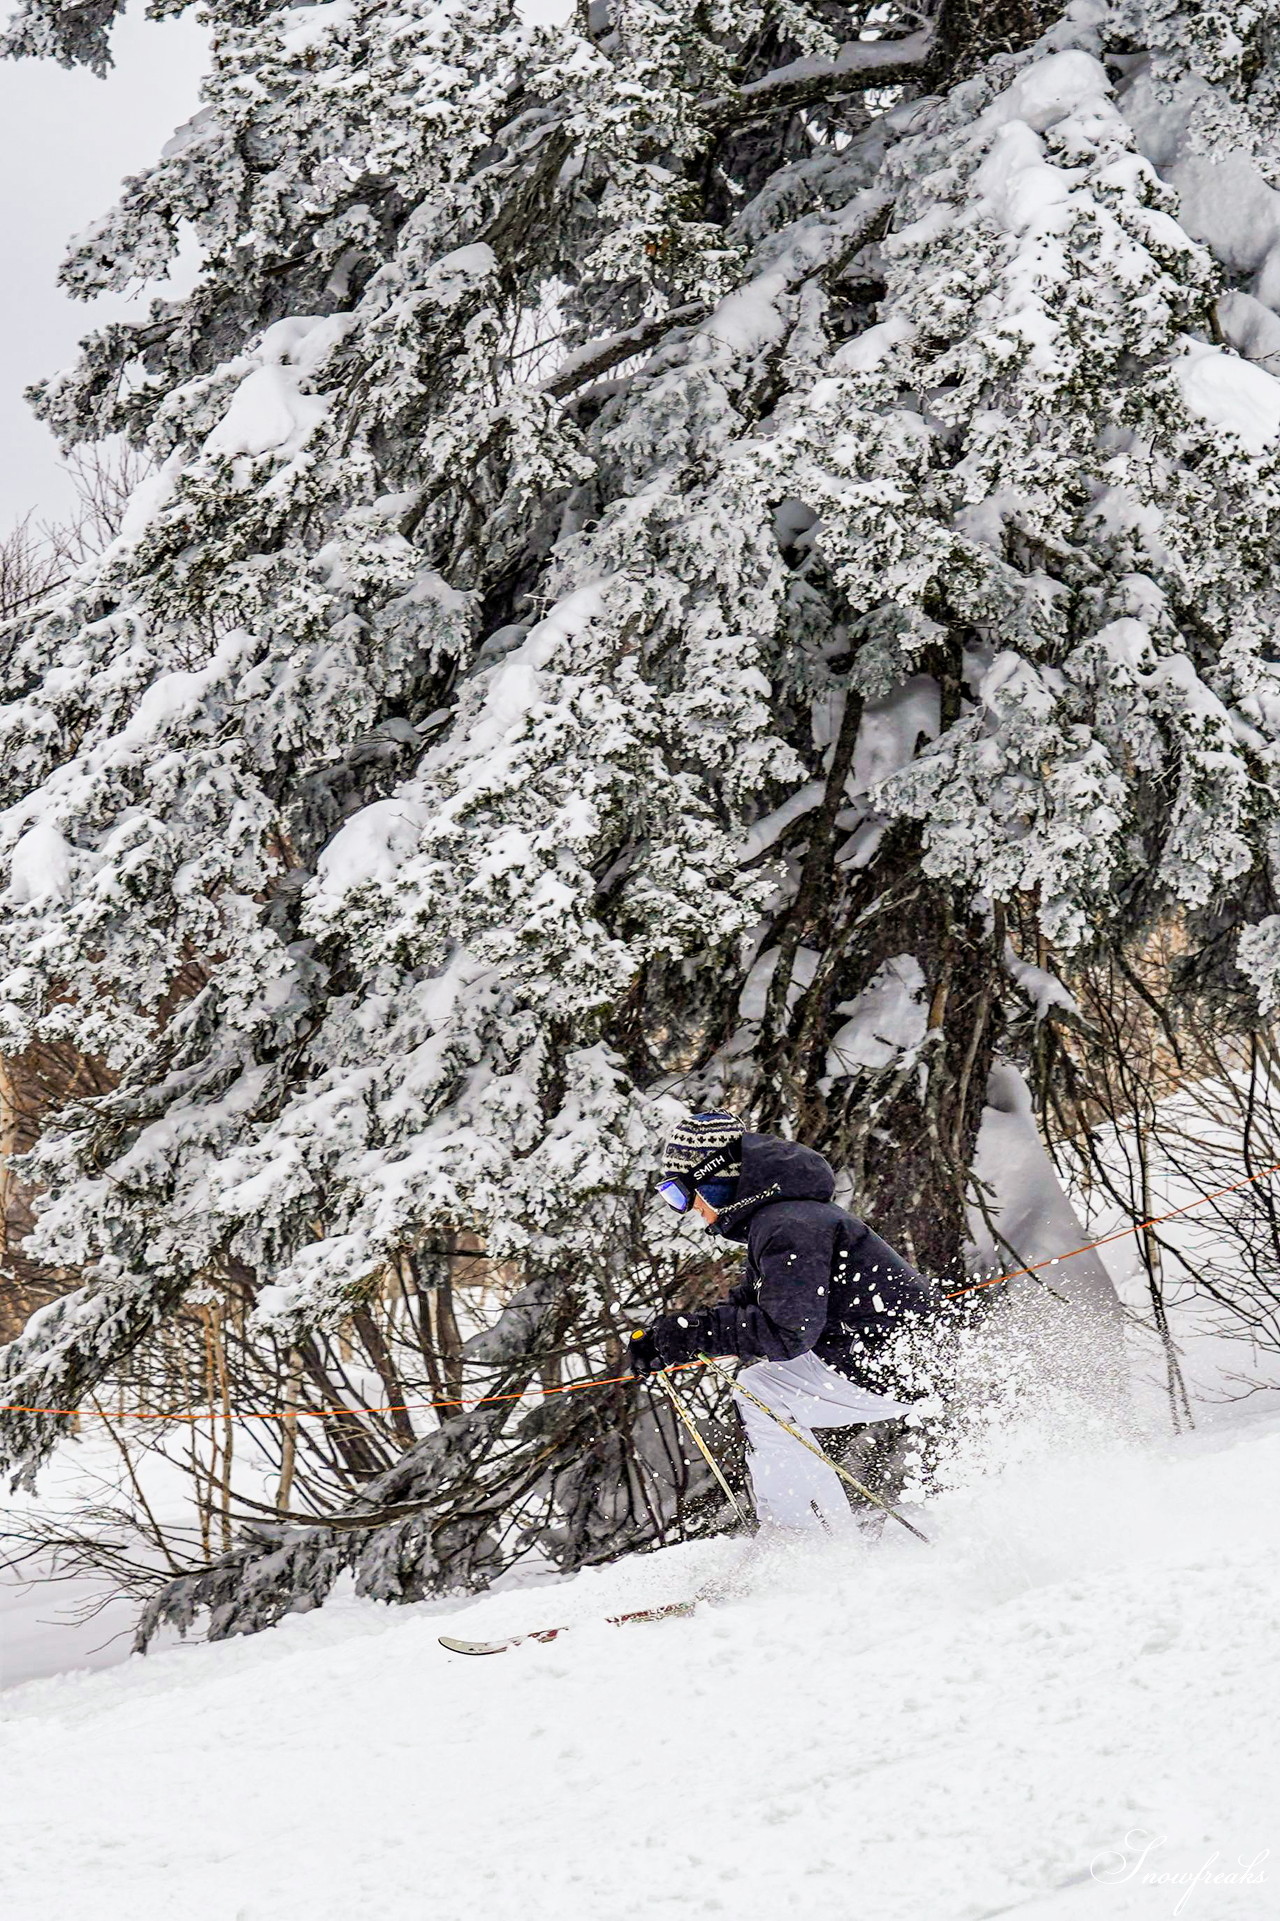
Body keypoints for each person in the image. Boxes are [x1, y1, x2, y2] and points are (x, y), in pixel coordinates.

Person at [628, 1110, 935, 1536]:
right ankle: (805, 1534)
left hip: (900, 1360)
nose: (689, 1209)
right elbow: (755, 1304)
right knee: (763, 1387)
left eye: (682, 1193)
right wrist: (675, 1336)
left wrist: (690, 1336)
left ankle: (808, 1545)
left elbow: (785, 1331)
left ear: (716, 1178)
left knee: (763, 1391)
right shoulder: (785, 1219)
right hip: (896, 1356)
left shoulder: (789, 1224)